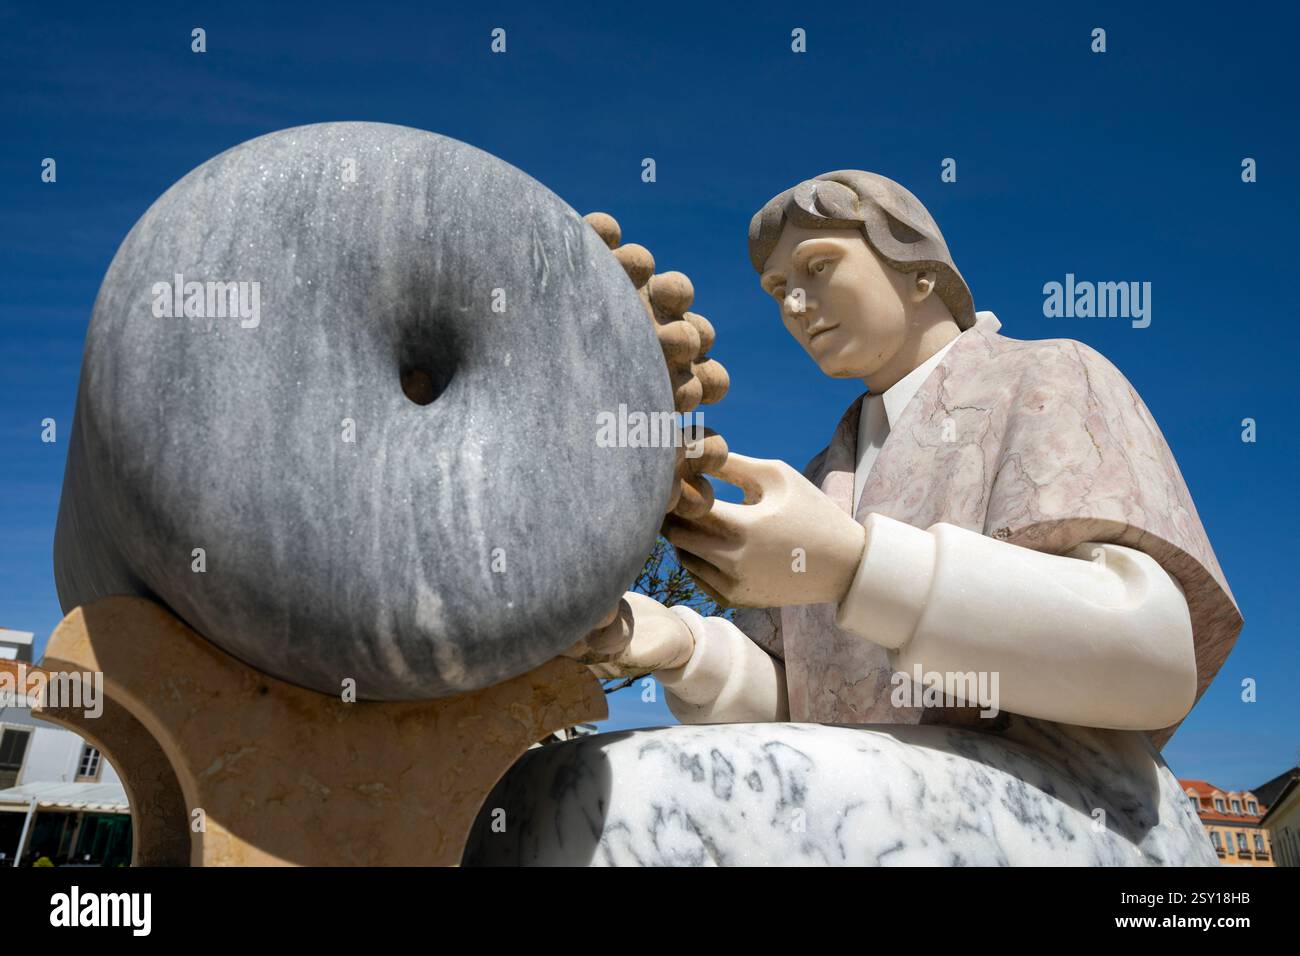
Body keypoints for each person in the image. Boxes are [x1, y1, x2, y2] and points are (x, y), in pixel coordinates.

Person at [464, 171, 1241, 866]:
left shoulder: (1050, 376)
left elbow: (1154, 659)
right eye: (777, 292)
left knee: (623, 800)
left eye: (818, 268)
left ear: (922, 269)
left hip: (1084, 812)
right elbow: (806, 707)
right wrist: (677, 644)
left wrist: (858, 567)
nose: (796, 306)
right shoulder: (824, 473)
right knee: (538, 794)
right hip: (876, 811)